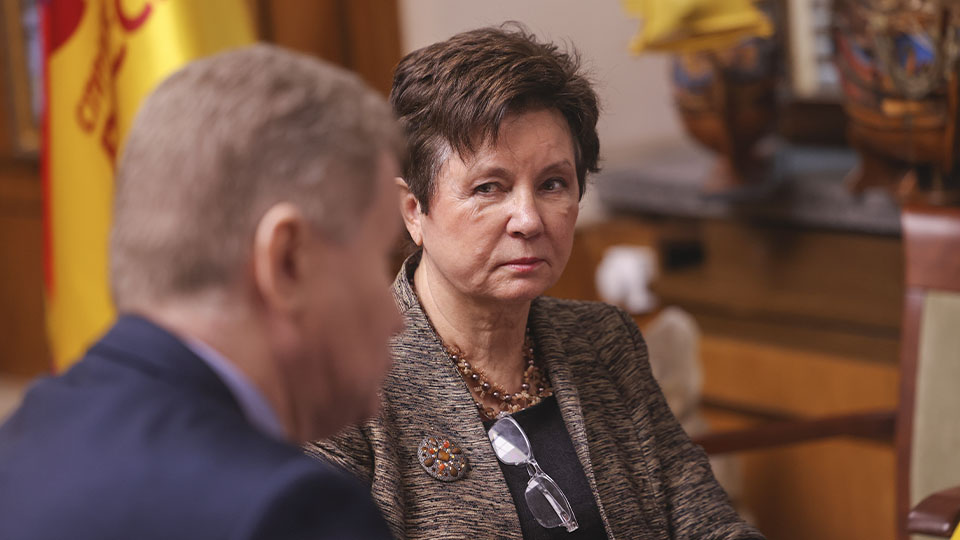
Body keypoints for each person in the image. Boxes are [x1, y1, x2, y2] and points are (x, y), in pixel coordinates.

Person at [307, 26, 764, 539]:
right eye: (489, 187)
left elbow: (709, 525)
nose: (528, 219)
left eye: (552, 184)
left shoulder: (605, 343)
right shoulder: (343, 382)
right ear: (413, 209)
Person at [0, 44, 403, 540]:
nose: (396, 316)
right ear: (287, 262)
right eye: (381, 258)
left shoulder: (21, 441)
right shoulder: (291, 511)